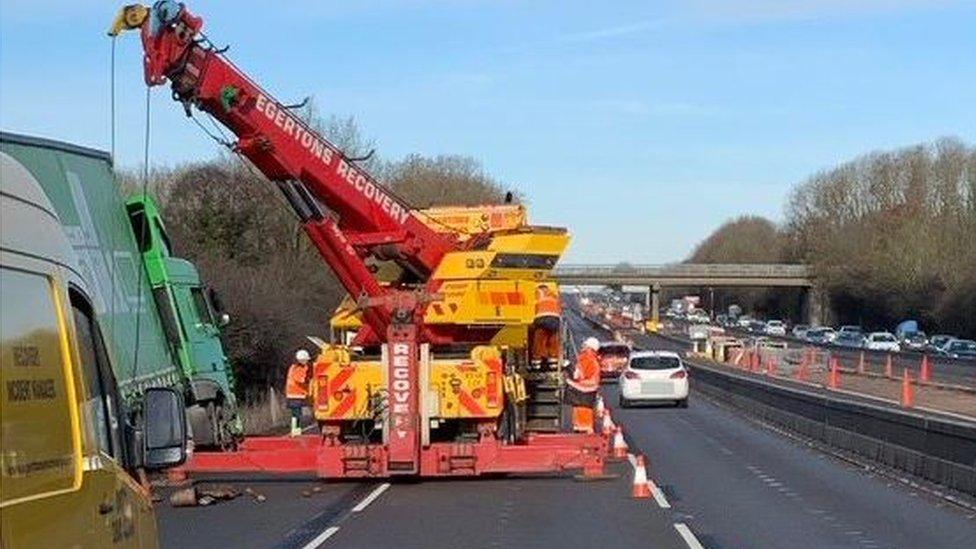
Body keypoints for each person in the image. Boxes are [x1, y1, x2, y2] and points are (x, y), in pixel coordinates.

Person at [566, 337, 600, 433]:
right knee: (585, 411)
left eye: (585, 345)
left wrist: (569, 368)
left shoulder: (587, 358)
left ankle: (583, 429)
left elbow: (578, 375)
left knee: (582, 411)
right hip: (587, 391)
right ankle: (585, 428)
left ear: (590, 347)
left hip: (583, 390)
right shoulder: (592, 358)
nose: (583, 346)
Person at [531, 284, 562, 368]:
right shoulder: (554, 295)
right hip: (554, 318)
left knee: (539, 339)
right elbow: (560, 308)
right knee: (553, 339)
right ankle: (553, 361)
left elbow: (532, 306)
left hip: (541, 318)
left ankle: (537, 362)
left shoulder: (537, 293)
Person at [285, 349, 311, 436]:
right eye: (306, 360)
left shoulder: (296, 367)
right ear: (301, 360)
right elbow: (301, 380)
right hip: (295, 394)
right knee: (296, 414)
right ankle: (294, 430)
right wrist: (309, 379)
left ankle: (297, 430)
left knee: (297, 413)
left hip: (296, 394)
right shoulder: (296, 368)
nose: (307, 361)